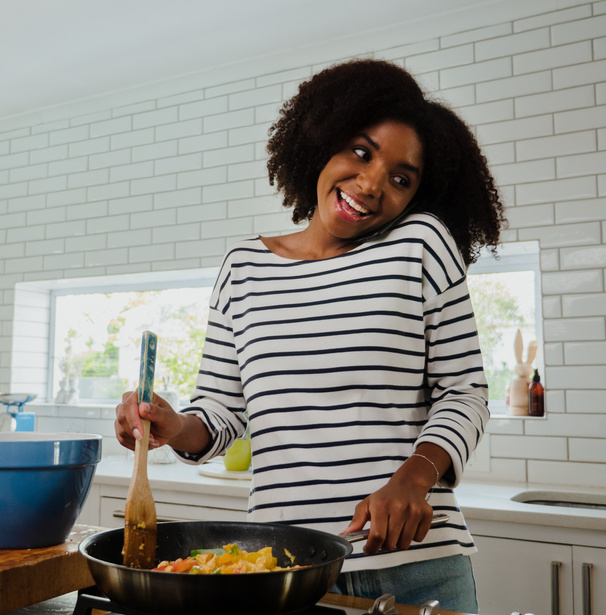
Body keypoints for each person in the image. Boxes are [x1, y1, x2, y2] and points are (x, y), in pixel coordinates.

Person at [114, 58, 505, 612]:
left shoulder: (421, 245)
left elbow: (465, 392)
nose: (371, 184)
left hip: (417, 569)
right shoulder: (243, 267)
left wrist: (415, 478)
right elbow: (224, 416)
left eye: (400, 178)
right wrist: (174, 426)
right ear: (322, 139)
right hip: (283, 574)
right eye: (361, 152)